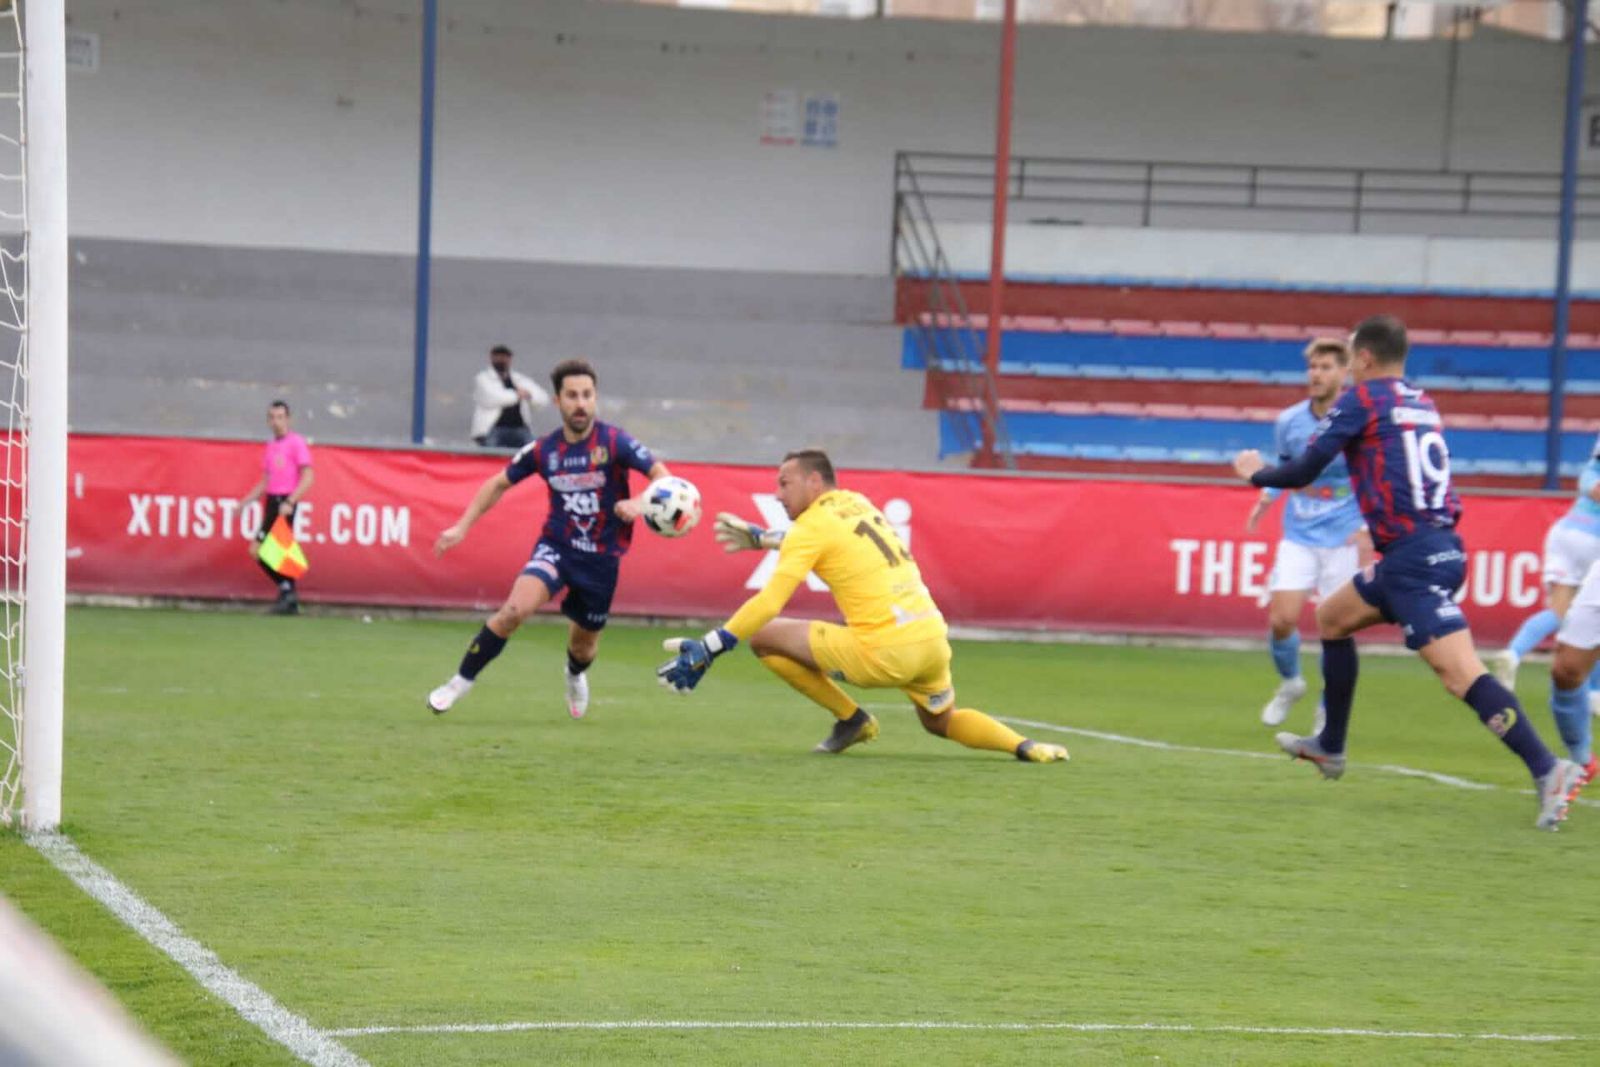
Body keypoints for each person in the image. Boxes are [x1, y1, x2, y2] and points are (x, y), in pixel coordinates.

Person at [1232, 315, 1582, 830]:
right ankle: (1330, 747)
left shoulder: (1364, 400)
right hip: (1427, 549)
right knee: (1332, 617)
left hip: (1415, 560)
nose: (1348, 368)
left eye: (1350, 358)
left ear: (1365, 359)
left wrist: (1254, 474)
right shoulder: (1420, 400)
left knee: (1460, 674)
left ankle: (1548, 768)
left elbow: (1304, 469)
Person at [656, 448, 1069, 763]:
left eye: (785, 483)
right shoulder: (857, 503)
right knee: (940, 721)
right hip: (931, 641)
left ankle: (853, 719)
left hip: (883, 653)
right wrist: (765, 538)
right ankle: (1026, 746)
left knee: (763, 638)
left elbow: (770, 600)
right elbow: (834, 544)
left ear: (814, 482)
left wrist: (711, 645)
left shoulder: (810, 525)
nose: (778, 494)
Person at [429, 359, 668, 719]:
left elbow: (663, 477)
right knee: (514, 610)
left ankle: (574, 674)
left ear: (595, 398)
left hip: (601, 560)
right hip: (557, 548)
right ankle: (458, 683)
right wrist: (461, 527)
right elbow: (497, 484)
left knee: (583, 648)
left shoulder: (616, 442)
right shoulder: (544, 450)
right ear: (558, 401)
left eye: (587, 395)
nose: (580, 403)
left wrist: (639, 503)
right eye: (572, 395)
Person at [1246, 338, 1371, 728]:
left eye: (1326, 367)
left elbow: (1370, 475)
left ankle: (1327, 705)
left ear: (1344, 372)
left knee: (1337, 627)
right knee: (1282, 620)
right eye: (1312, 367)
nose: (1316, 374)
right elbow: (1287, 467)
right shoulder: (1289, 422)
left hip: (1344, 536)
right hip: (1299, 533)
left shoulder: (1357, 421)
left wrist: (1367, 527)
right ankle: (1291, 683)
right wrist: (1267, 497)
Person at [1490, 434, 1600, 699]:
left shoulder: (1590, 468)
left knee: (1558, 611)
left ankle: (1513, 653)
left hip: (1565, 532)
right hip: (1594, 541)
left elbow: (1591, 483)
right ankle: (1594, 692)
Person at [237, 400, 313, 616]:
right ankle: (288, 596)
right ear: (268, 421)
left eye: (281, 417)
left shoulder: (296, 443)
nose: (276, 422)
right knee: (273, 552)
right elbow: (265, 481)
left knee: (265, 550)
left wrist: (290, 502)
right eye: (272, 417)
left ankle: (287, 592)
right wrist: (245, 503)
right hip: (271, 502)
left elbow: (308, 477)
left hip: (284, 503)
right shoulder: (271, 446)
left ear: (288, 419)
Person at [471, 344, 549, 449]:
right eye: (498, 357)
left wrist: (530, 396)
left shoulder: (519, 379)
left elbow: (543, 398)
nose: (501, 360)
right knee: (490, 455)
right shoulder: (483, 378)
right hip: (494, 429)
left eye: (504, 357)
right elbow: (493, 398)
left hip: (520, 428)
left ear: (510, 359)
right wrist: (517, 395)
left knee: (535, 452)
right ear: (492, 358)